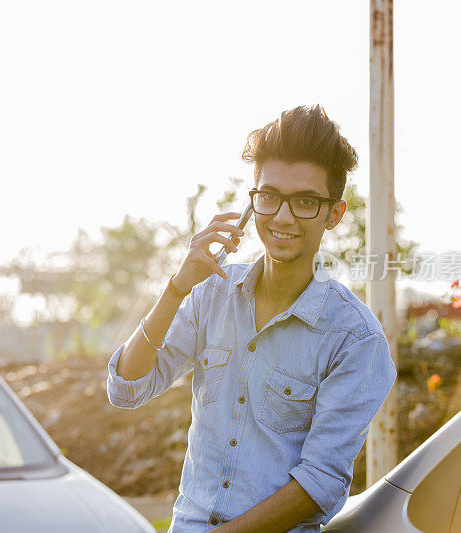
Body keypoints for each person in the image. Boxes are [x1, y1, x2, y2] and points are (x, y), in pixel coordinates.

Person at [106, 104, 397, 532]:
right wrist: (177, 286)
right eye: (270, 196)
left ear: (334, 213)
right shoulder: (210, 295)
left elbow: (320, 484)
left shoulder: (355, 339)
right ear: (252, 201)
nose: (282, 216)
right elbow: (126, 388)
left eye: (305, 202)